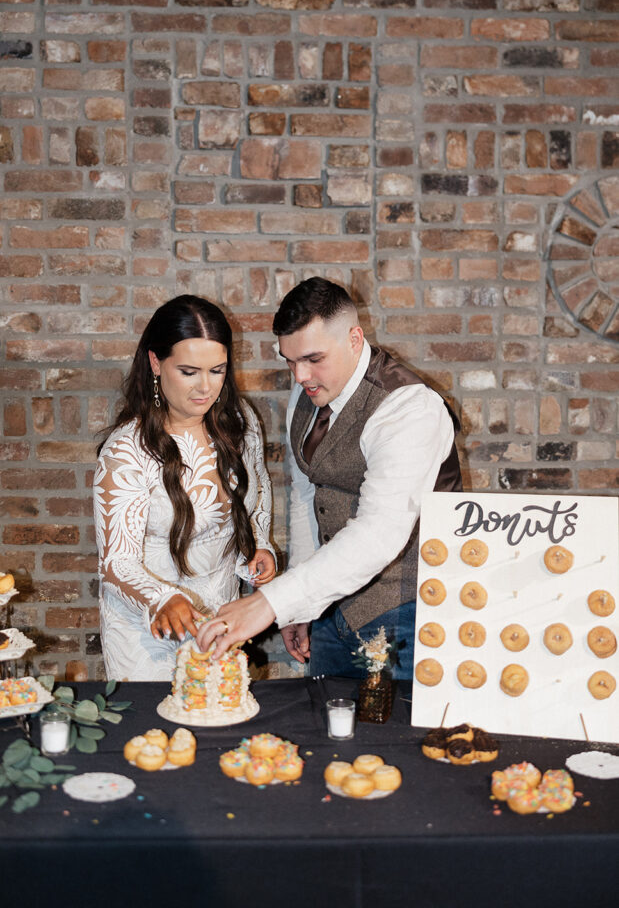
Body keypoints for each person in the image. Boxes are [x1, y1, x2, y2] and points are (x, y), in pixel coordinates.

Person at [197, 277, 462, 680]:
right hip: (329, 615)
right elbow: (308, 492)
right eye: (290, 360)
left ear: (355, 339)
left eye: (313, 358)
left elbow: (379, 532)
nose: (300, 375)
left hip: (406, 612)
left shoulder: (410, 408)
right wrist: (301, 608)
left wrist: (272, 602)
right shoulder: (310, 388)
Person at [93, 295, 276, 681]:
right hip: (148, 634)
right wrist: (163, 598)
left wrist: (260, 544)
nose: (206, 388)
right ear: (156, 363)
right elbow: (117, 561)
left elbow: (257, 492)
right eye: (190, 372)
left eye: (218, 370)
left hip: (221, 618)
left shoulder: (240, 422)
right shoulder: (128, 450)